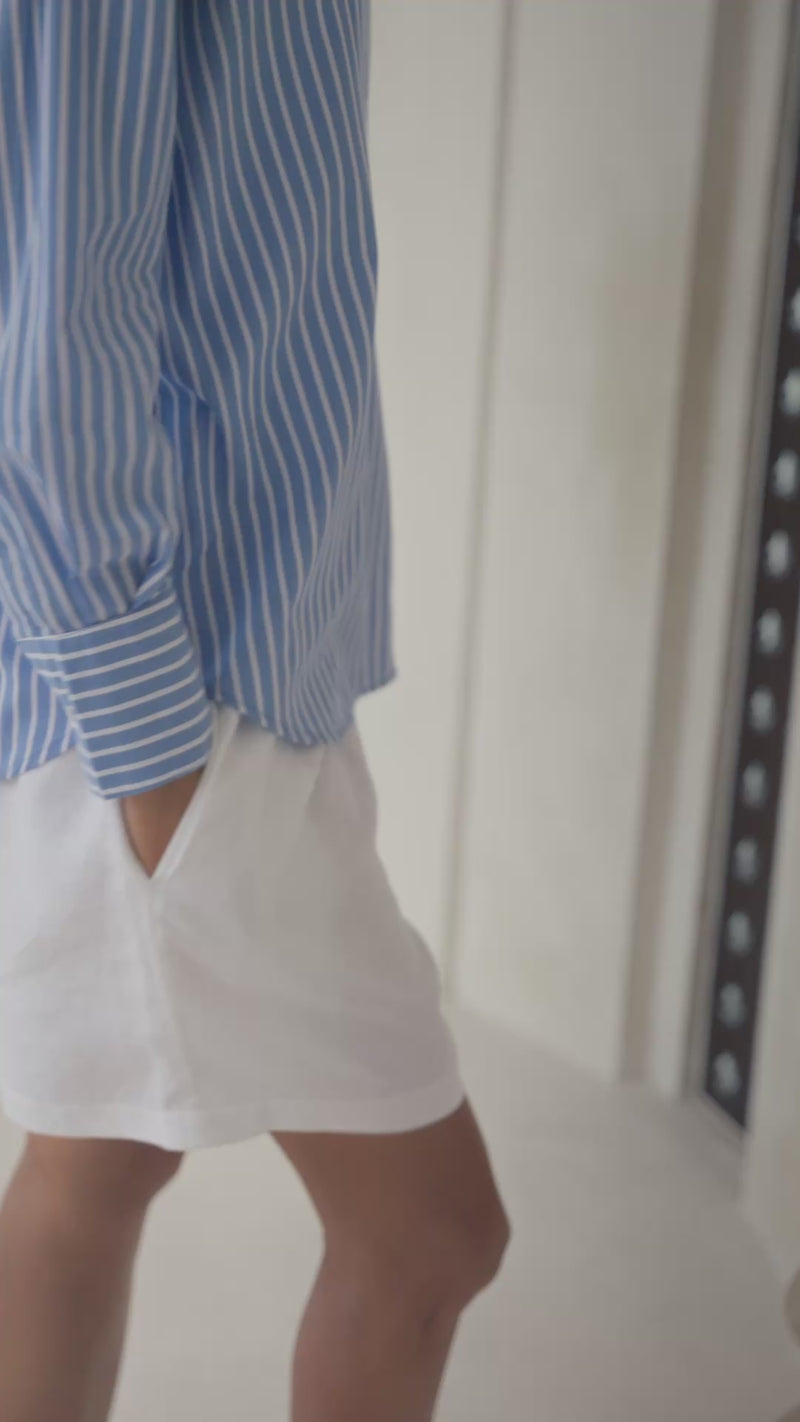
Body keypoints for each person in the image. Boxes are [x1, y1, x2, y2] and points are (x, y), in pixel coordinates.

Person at [0, 3, 510, 1419]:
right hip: (180, 698)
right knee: (430, 1235)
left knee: (95, 1165)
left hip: (226, 684)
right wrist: (157, 755)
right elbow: (46, 333)